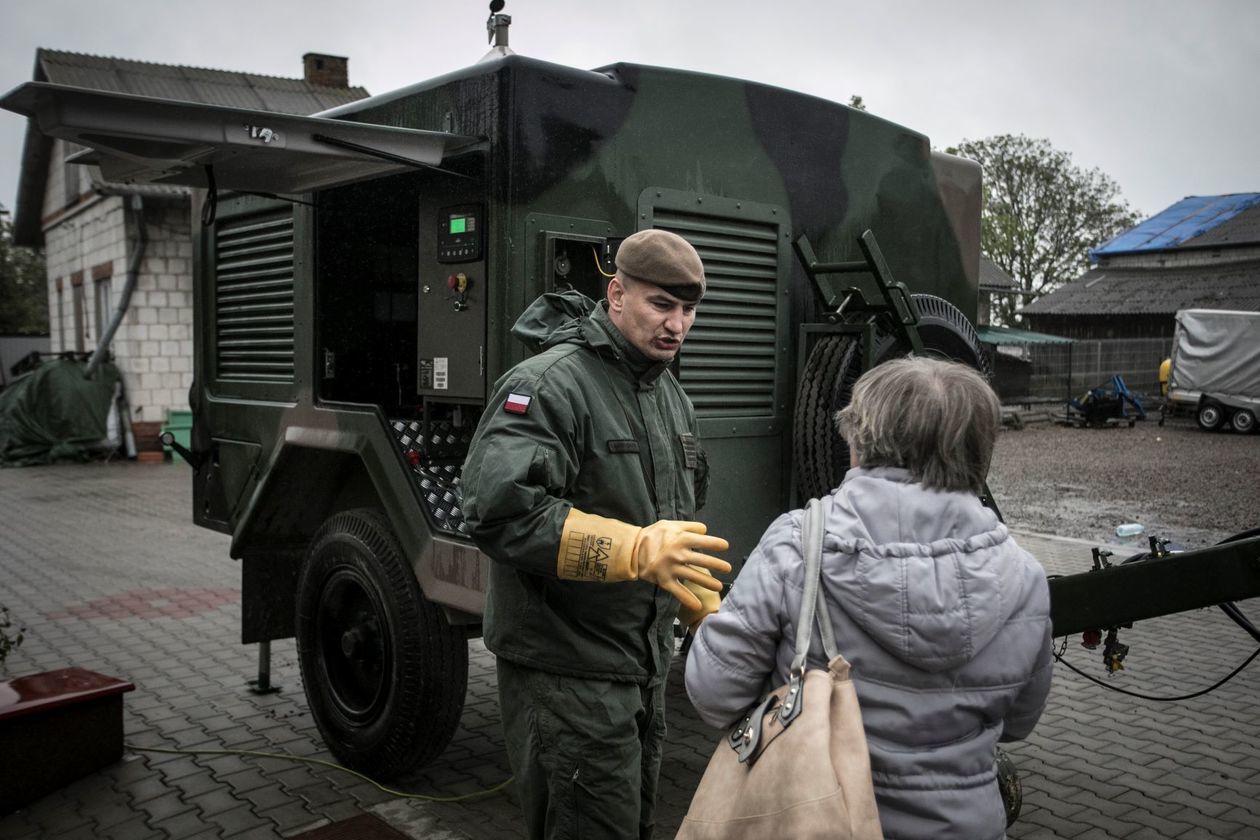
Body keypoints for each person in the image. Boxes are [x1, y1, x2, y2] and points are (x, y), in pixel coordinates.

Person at [686, 356, 1052, 840]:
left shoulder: (798, 542)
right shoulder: (1025, 575)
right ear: (978, 449)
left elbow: (715, 695)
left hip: (814, 819)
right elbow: (1019, 723)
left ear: (860, 442)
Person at [462, 229, 732, 840]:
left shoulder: (669, 397)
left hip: (641, 668)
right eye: (661, 305)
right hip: (567, 672)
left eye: (688, 310)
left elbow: (675, 519)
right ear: (616, 295)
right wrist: (633, 551)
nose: (677, 325)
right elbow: (496, 510)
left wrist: (697, 607)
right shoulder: (551, 384)